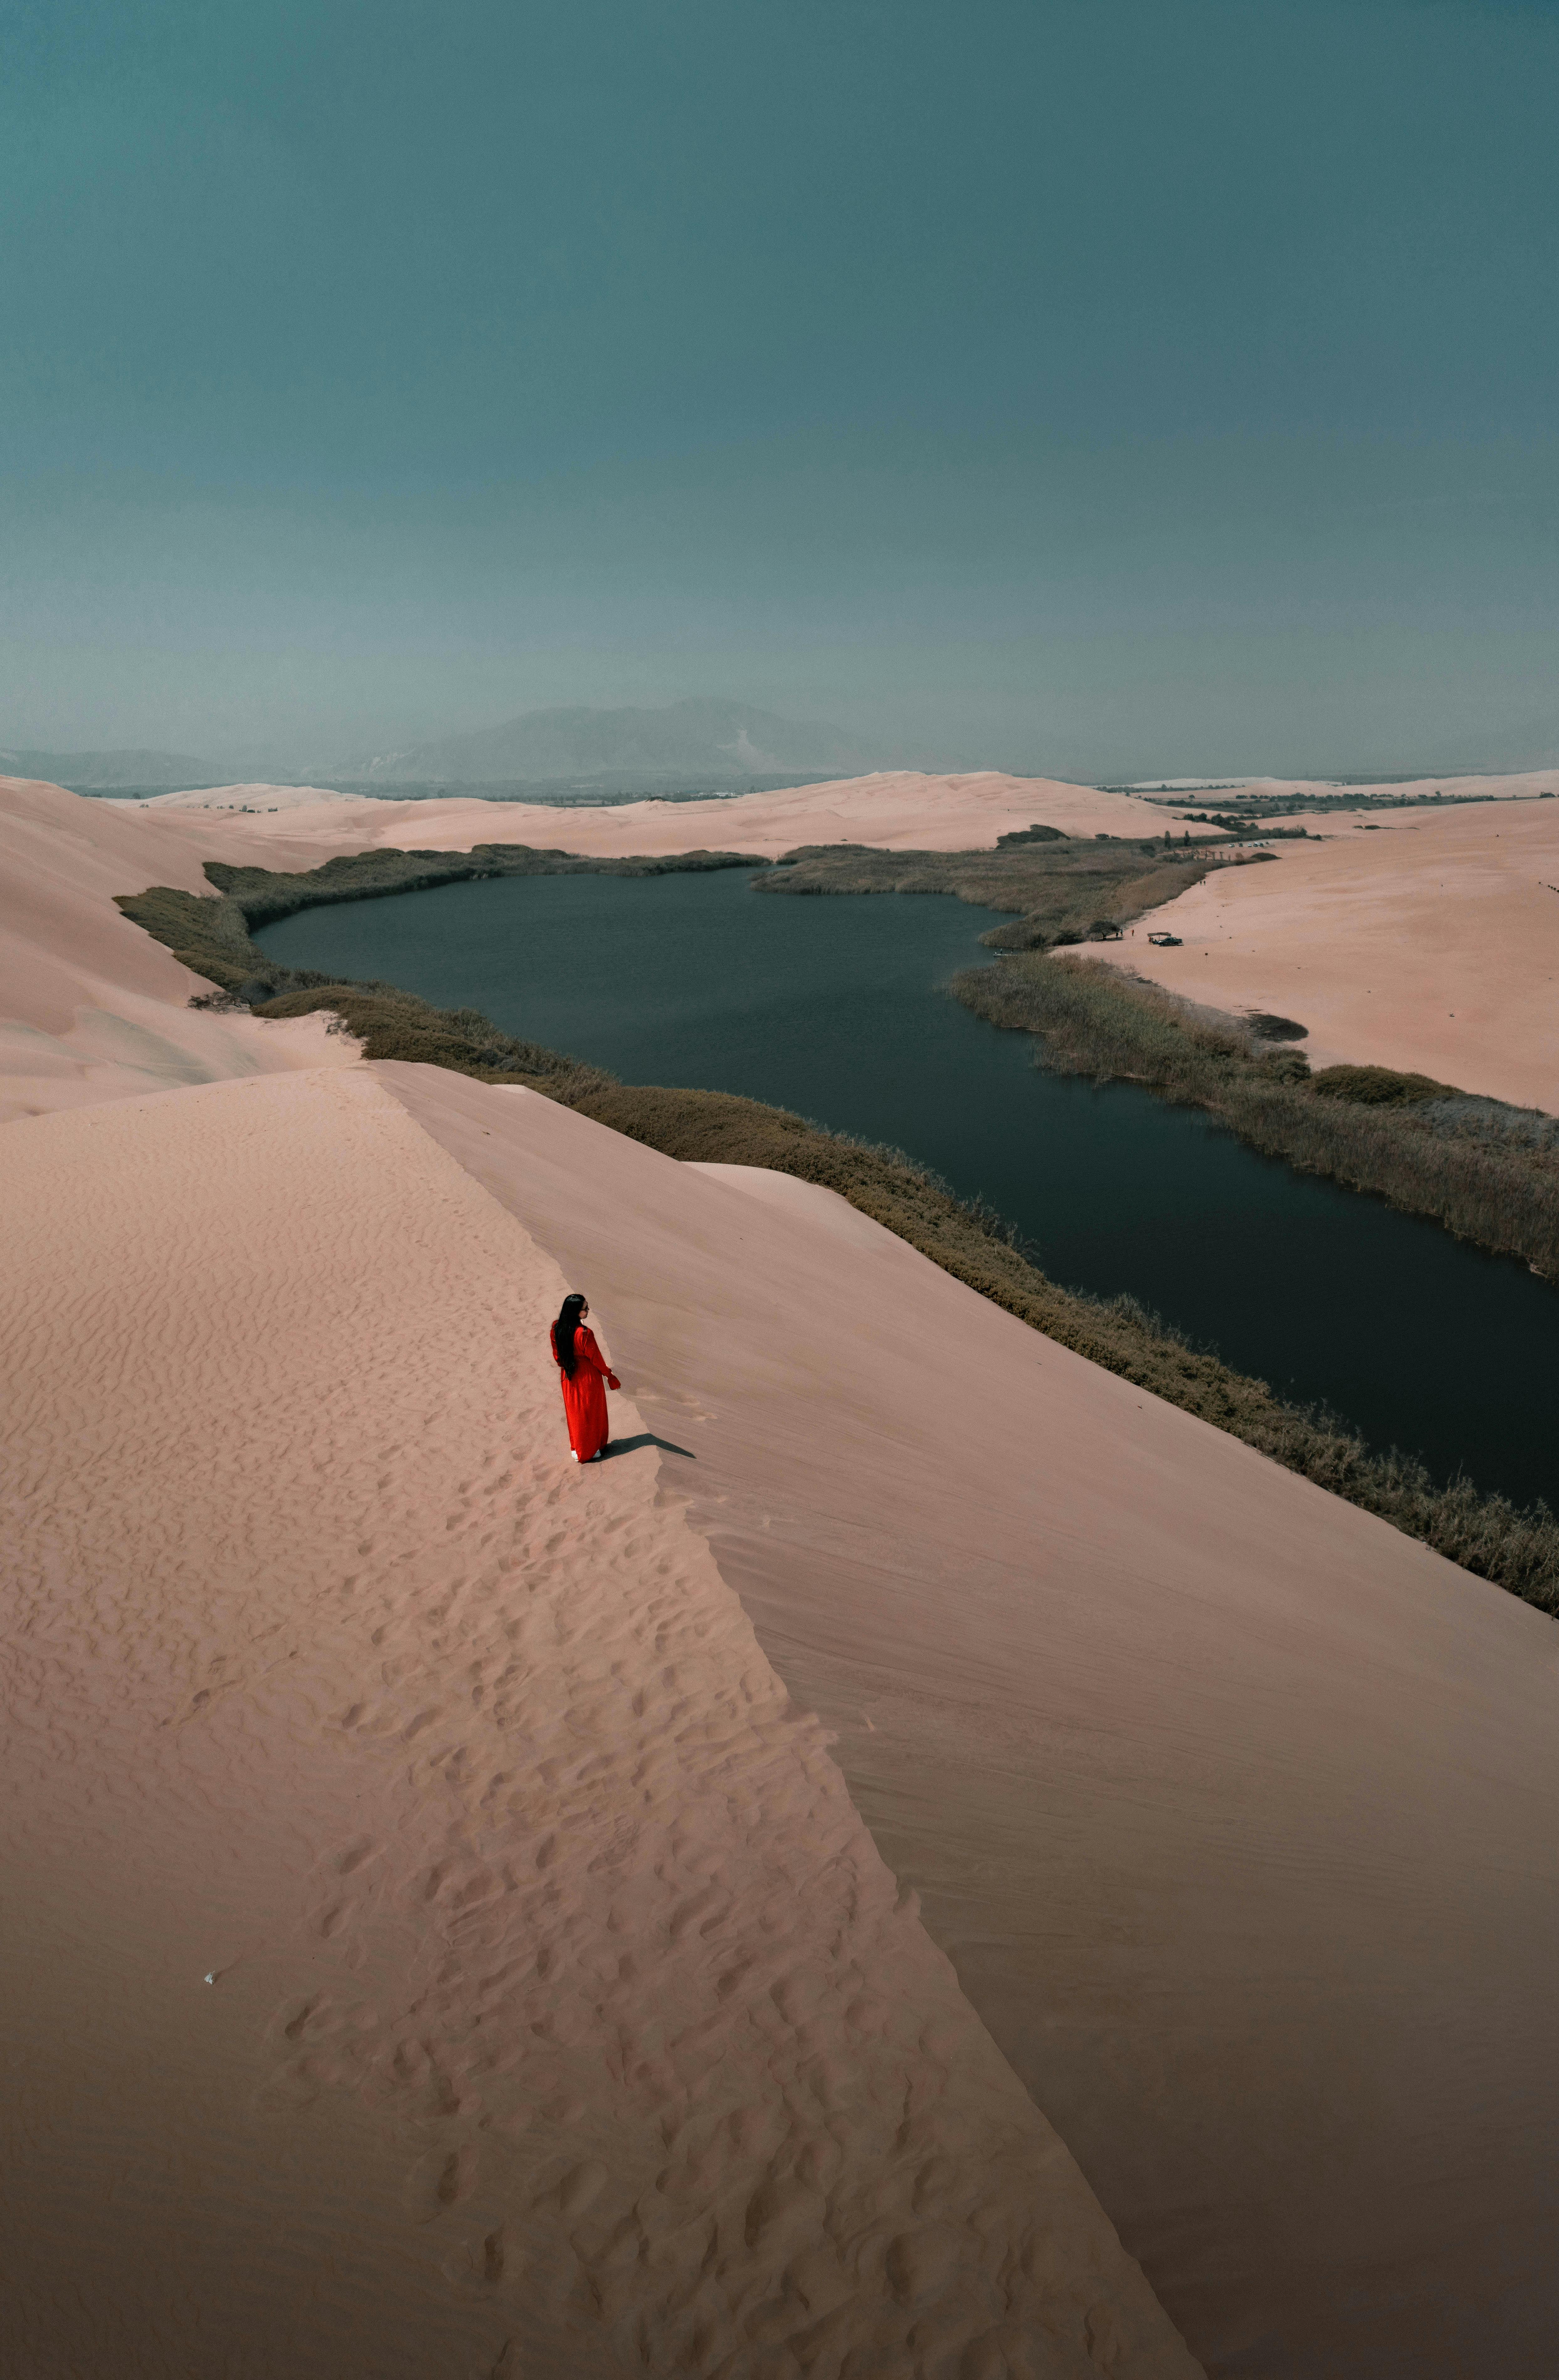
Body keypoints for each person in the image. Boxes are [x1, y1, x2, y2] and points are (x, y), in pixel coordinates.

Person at [549, 1292, 620, 1463]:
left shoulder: (557, 1327)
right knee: (590, 1411)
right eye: (585, 1309)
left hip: (568, 1375)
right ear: (575, 1312)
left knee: (575, 1411)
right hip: (587, 1375)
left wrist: (566, 1364)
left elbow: (557, 1354)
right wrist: (609, 1375)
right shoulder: (584, 1333)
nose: (588, 1311)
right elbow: (596, 1358)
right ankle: (589, 1449)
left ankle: (577, 1446)